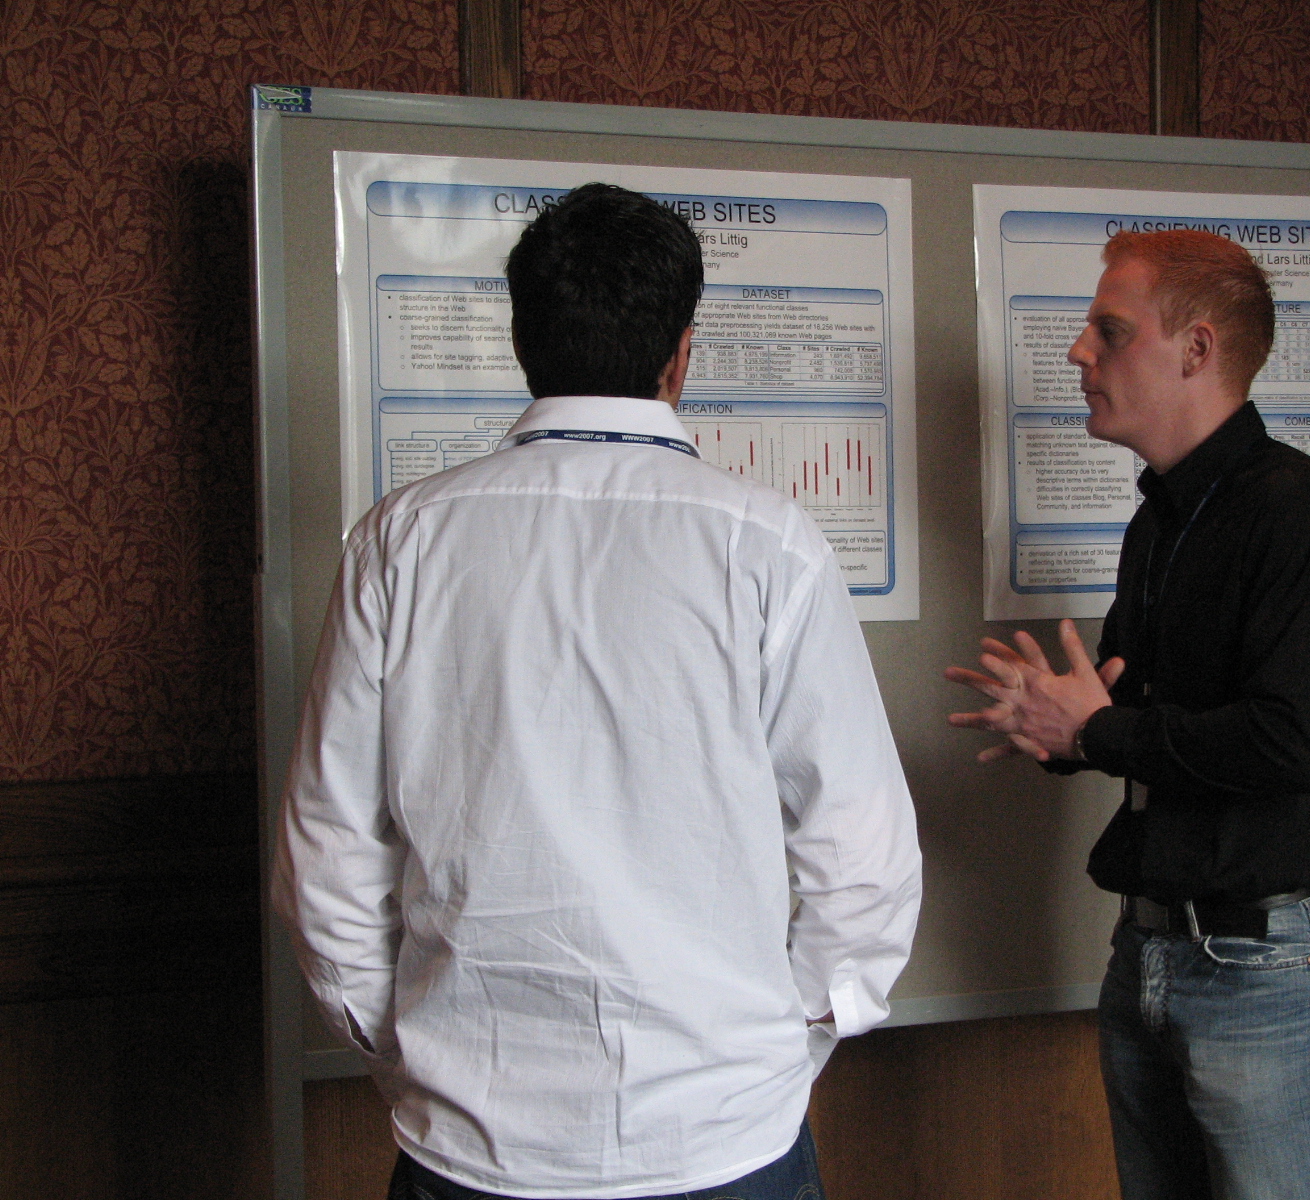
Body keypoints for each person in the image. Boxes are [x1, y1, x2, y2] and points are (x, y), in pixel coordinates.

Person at [274, 182, 921, 1200]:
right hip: (724, 1141)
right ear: (682, 354)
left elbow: (327, 850)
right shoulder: (767, 545)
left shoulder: (400, 540)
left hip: (471, 1143)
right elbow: (862, 855)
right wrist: (779, 1048)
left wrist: (406, 1054)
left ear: (522, 342)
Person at [946, 229, 1310, 1200]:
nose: (1079, 353)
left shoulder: (1304, 516)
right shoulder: (1162, 519)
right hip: (1150, 948)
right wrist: (1057, 723)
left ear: (1196, 349)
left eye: (1109, 332)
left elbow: (1292, 743)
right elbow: (1134, 714)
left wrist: (1095, 730)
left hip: (1266, 964)